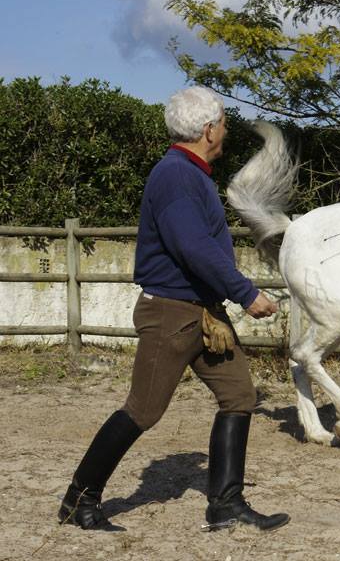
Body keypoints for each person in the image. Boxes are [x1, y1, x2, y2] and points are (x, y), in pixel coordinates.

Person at [57, 86, 290, 533]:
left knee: (239, 396)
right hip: (172, 314)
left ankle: (224, 503)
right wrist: (245, 293)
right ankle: (77, 501)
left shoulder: (190, 174)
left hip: (201, 313)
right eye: (222, 123)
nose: (224, 131)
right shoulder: (177, 176)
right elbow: (193, 247)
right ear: (208, 130)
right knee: (143, 410)